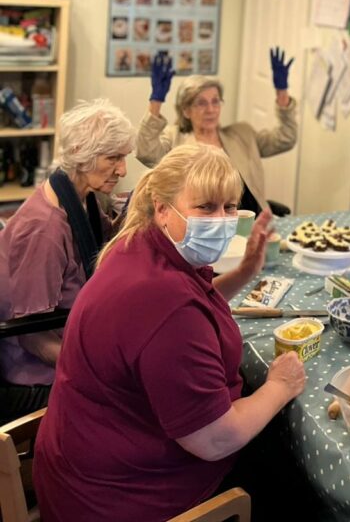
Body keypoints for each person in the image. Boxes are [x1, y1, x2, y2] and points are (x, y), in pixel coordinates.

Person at [34, 143, 307, 522]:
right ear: (163, 208)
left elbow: (195, 304)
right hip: (120, 500)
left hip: (83, 464)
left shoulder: (140, 245)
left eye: (230, 207)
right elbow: (215, 440)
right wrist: (280, 385)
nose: (222, 220)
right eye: (206, 207)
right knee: (294, 479)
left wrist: (246, 271)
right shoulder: (165, 304)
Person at [0, 99, 135, 422]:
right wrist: (98, 372)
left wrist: (138, 211)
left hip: (75, 338)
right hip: (35, 374)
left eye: (123, 158)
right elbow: (32, 336)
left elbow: (108, 247)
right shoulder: (44, 231)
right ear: (79, 153)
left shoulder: (80, 197)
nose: (123, 170)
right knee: (138, 400)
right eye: (113, 158)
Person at [136, 48, 297, 214]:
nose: (210, 110)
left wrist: (282, 93)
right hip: (204, 223)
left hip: (252, 221)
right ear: (186, 110)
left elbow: (286, 138)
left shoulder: (242, 134)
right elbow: (145, 152)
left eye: (215, 101)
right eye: (201, 103)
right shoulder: (174, 139)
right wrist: (156, 101)